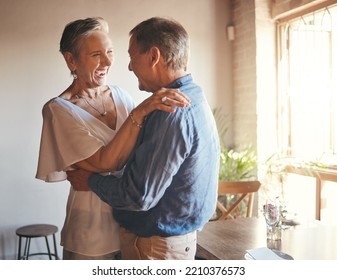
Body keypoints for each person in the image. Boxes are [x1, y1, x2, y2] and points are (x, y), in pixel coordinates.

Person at [35, 17, 190, 260]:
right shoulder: (58, 110)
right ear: (71, 59)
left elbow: (143, 150)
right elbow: (106, 162)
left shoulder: (120, 96)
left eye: (109, 52)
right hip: (91, 232)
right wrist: (140, 111)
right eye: (96, 54)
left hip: (135, 227)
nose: (107, 62)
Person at [67, 17, 220, 260]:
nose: (128, 66)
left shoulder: (169, 110)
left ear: (153, 56)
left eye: (131, 56)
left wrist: (91, 181)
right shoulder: (194, 96)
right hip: (173, 244)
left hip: (155, 249)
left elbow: (138, 196)